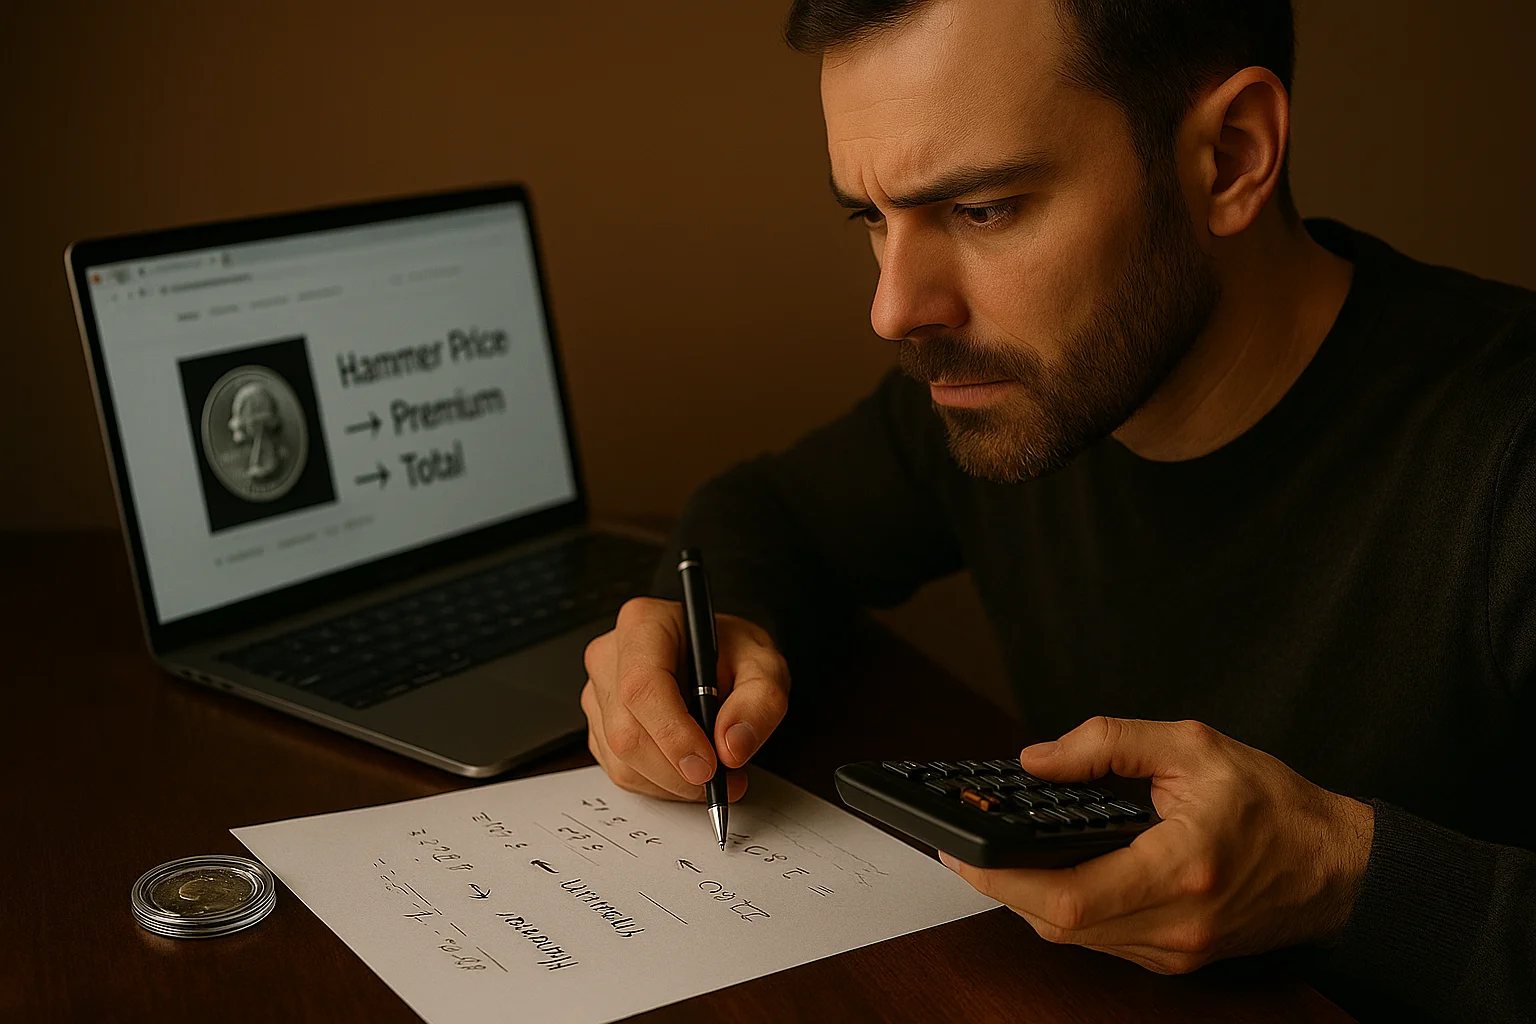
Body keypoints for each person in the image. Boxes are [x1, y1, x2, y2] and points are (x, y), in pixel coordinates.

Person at [577, 2, 1535, 1020]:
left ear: (1231, 158)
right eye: (872, 217)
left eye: (983, 209)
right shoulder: (1017, 384)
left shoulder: (1506, 455)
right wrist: (716, 638)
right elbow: (768, 514)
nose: (895, 309)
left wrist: (1339, 877)